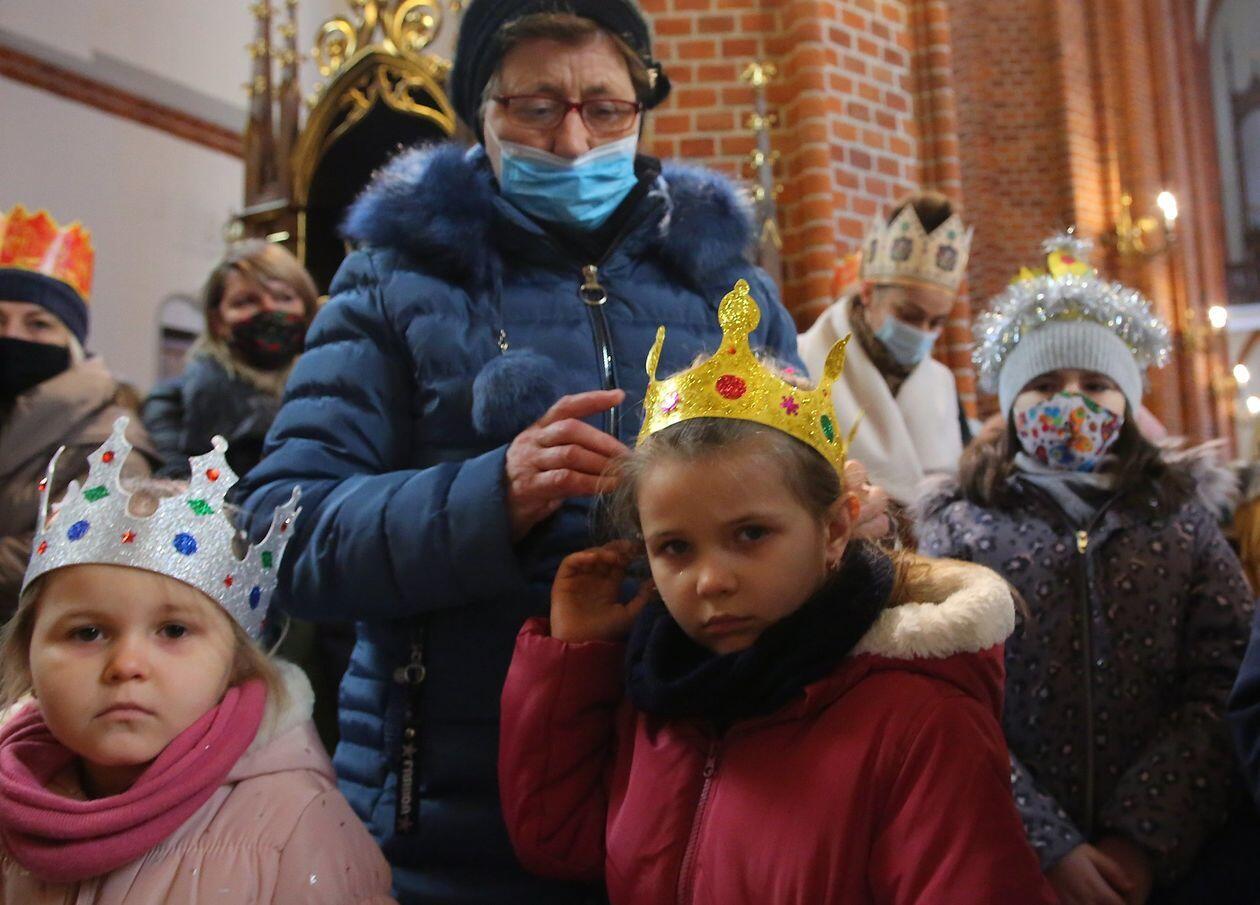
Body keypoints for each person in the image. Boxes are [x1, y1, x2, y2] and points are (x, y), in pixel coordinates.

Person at [233, 2, 848, 901]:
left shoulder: (726, 286)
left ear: (642, 106)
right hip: (456, 817)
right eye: (535, 106)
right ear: (479, 113)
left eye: (605, 107)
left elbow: (812, 487)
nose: (572, 140)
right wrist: (492, 494)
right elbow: (277, 536)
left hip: (708, 786)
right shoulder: (392, 280)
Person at [497, 282, 1056, 903]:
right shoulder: (663, 692)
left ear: (835, 528)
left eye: (751, 534)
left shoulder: (920, 724)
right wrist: (577, 660)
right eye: (675, 548)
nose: (711, 580)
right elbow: (559, 844)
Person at [917, 236, 1252, 905]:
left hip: (1177, 859)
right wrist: (1046, 843)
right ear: (1011, 404)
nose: (1070, 403)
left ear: (1127, 404)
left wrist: (1142, 836)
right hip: (1013, 855)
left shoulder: (1181, 520)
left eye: (1096, 386)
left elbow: (1224, 680)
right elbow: (944, 699)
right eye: (1044, 386)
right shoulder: (959, 527)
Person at [0, 421, 397, 904]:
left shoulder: (297, 834)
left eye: (173, 631)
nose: (126, 665)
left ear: (236, 662)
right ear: (26, 656)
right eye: (87, 633)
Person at [0, 204, 155, 621]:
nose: (12, 336)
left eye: (38, 324)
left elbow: (77, 543)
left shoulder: (109, 437)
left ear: (69, 341)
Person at [799, 192, 973, 504]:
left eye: (937, 322)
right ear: (867, 292)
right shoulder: (802, 362)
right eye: (909, 315)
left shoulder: (942, 383)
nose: (923, 333)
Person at [142, 240, 318, 481]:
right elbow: (178, 487)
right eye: (245, 301)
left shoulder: (330, 394)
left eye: (284, 297)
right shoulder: (171, 404)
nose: (268, 309)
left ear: (306, 310)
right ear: (218, 321)